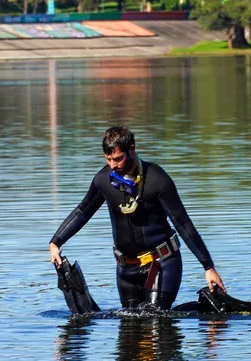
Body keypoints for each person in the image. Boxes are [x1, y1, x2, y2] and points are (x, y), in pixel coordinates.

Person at [49, 126, 225, 310]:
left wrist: (208, 267)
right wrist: (55, 242)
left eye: (118, 159)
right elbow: (82, 211)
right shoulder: (103, 180)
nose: (113, 165)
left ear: (132, 149)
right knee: (131, 327)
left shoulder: (157, 179)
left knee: (155, 320)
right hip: (126, 270)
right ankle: (202, 309)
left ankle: (207, 310)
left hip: (161, 263)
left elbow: (182, 223)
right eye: (108, 159)